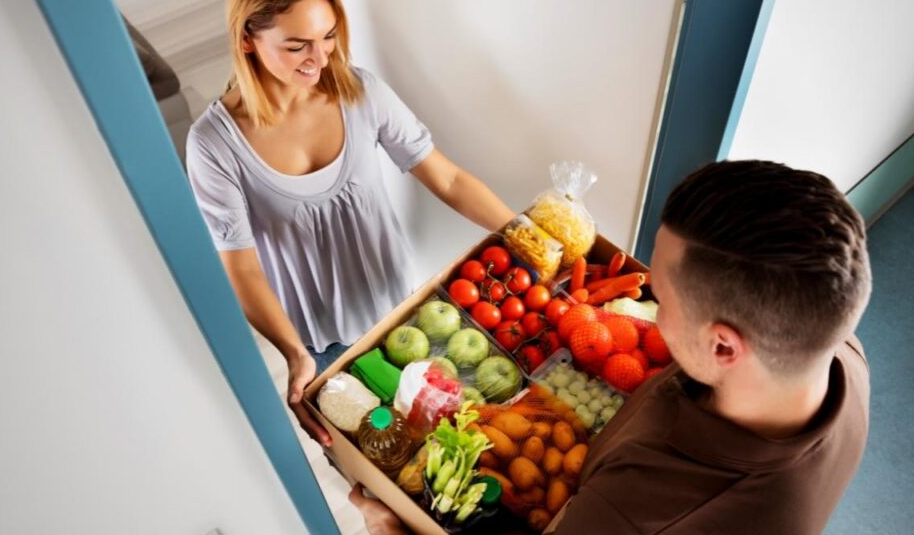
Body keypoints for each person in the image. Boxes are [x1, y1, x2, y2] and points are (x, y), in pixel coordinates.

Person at [347, 160, 873, 534]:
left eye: (661, 299)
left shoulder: (638, 509)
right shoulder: (841, 350)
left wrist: (392, 529)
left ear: (723, 347)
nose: (649, 305)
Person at [185, 0, 513, 442]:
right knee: (387, 455)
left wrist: (523, 231)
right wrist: (294, 353)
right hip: (319, 344)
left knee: (461, 443)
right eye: (296, 46)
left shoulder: (361, 92)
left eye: (328, 36)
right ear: (248, 39)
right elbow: (243, 270)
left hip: (408, 313)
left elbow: (448, 180)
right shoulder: (213, 144)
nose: (319, 59)